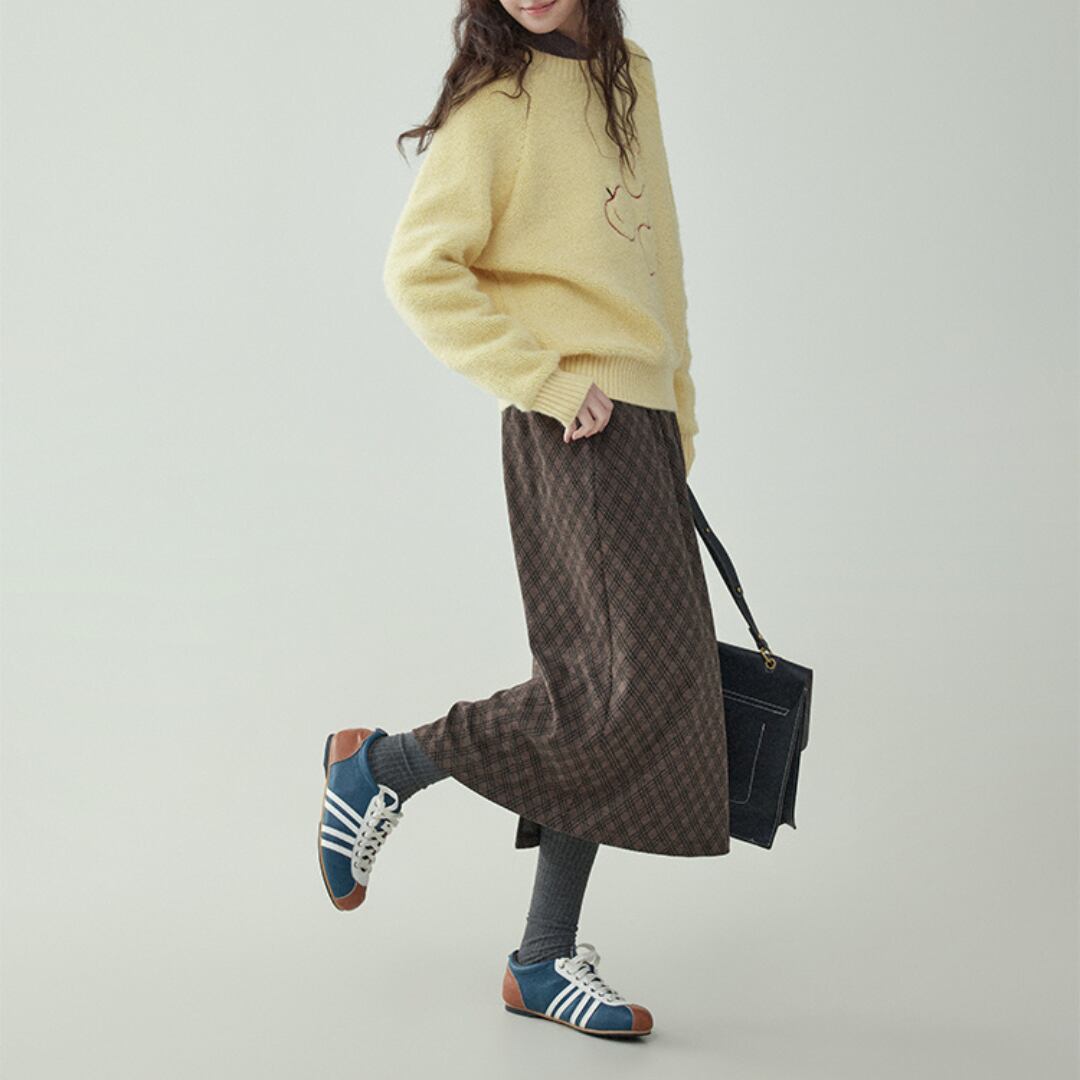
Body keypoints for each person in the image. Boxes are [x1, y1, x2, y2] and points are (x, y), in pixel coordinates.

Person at [317, 0, 729, 1040]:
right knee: (607, 691)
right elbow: (418, 271)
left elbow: (662, 262)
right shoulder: (497, 102)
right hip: (575, 422)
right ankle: (382, 769)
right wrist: (541, 381)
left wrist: (677, 411)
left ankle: (541, 959)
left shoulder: (629, 73)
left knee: (616, 693)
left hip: (637, 420)